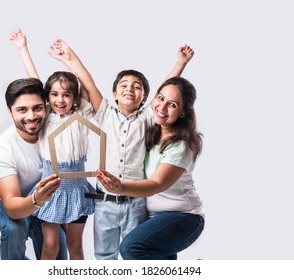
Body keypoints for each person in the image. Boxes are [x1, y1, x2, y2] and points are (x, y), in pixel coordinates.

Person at [49, 39, 194, 259]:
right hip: (104, 202)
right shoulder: (105, 113)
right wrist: (69, 56)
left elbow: (166, 91)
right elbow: (88, 83)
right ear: (115, 94)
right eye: (124, 86)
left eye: (137, 87)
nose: (130, 89)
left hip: (135, 203)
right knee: (104, 255)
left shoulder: (147, 118)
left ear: (146, 98)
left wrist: (180, 63)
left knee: (134, 254)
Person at [10, 28, 95, 260]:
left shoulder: (82, 114)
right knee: (50, 246)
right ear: (47, 97)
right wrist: (23, 48)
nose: (60, 100)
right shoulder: (45, 115)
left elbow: (88, 85)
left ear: (74, 99)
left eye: (66, 95)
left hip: (77, 187)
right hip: (52, 186)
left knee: (75, 245)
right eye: (55, 94)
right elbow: (34, 80)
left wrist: (69, 57)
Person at [97, 76, 205, 260]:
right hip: (154, 218)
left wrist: (121, 188)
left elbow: (157, 183)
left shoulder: (181, 145)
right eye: (160, 98)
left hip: (183, 217)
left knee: (132, 248)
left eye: (172, 105)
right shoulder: (152, 132)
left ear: (183, 112)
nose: (162, 107)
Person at [0, 77, 68, 260]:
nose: (31, 116)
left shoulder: (52, 126)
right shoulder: (3, 148)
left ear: (46, 107)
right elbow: (11, 206)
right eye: (22, 110)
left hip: (46, 205)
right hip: (12, 203)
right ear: (10, 112)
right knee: (14, 228)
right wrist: (36, 199)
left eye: (37, 108)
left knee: (58, 258)